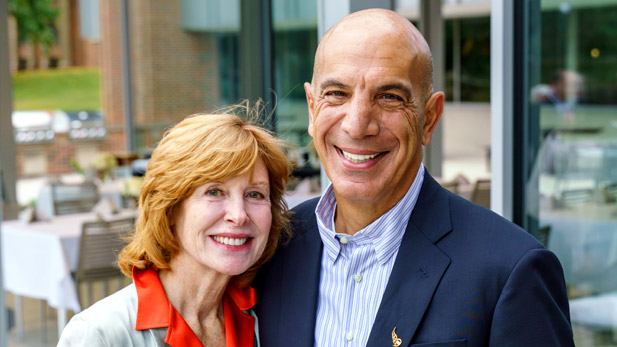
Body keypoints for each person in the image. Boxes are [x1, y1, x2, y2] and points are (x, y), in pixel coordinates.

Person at [254, 9, 574, 346]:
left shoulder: (510, 271)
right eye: (337, 93)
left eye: (389, 97)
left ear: (429, 118)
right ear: (311, 107)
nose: (358, 124)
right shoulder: (275, 246)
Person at [58, 111, 291, 346]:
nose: (239, 215)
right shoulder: (99, 335)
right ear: (169, 209)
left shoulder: (268, 318)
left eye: (254, 194)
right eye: (214, 191)